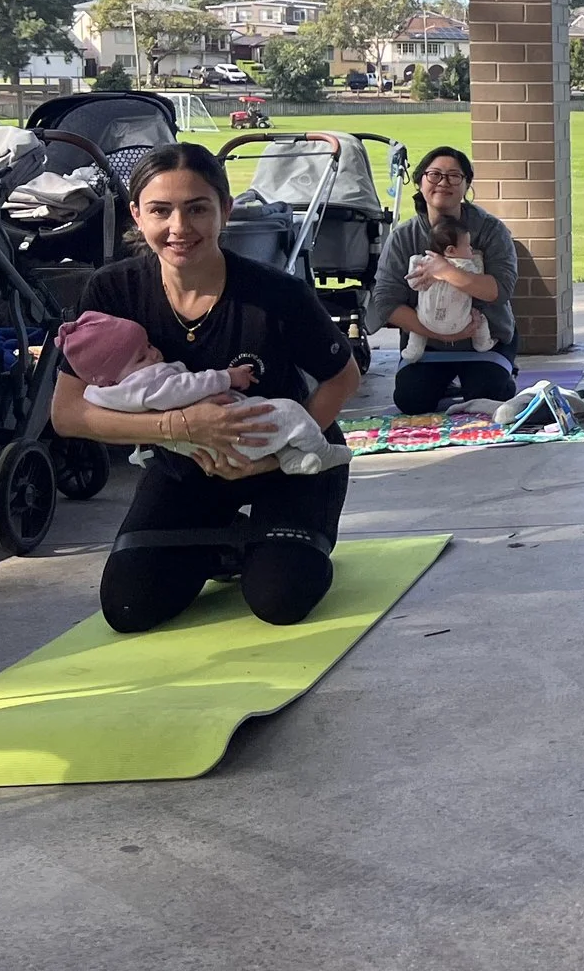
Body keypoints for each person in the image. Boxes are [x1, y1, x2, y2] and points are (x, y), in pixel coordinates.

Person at [49, 144, 362, 634]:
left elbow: (343, 379)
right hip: (187, 463)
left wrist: (272, 457)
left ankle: (273, 547)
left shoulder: (276, 294)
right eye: (160, 210)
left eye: (197, 208)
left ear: (225, 210)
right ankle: (236, 543)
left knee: (280, 599)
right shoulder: (113, 292)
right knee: (129, 606)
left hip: (284, 460)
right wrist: (179, 425)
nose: (179, 227)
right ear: (137, 214)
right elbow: (68, 413)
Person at [55, 309, 350, 475]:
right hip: (226, 433)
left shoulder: (101, 391)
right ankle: (322, 451)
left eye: (148, 346)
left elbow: (343, 377)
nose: (155, 353)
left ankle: (289, 460)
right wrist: (226, 377)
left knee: (273, 427)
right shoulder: (146, 383)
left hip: (199, 452)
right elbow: (184, 387)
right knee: (288, 413)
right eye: (143, 356)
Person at [365, 146, 521, 417]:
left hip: (485, 338)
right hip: (428, 343)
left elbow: (500, 290)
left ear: (467, 185)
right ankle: (443, 382)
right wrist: (442, 334)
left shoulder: (491, 230)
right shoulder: (404, 236)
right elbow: (386, 301)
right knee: (412, 401)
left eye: (454, 176)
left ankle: (498, 370)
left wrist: (445, 271)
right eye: (434, 174)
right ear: (419, 182)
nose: (443, 183)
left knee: (489, 394)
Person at [403, 213, 495, 361]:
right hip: (460, 324)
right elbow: (479, 280)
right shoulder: (466, 266)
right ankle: (483, 344)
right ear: (451, 250)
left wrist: (414, 262)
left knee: (417, 325)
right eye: (467, 245)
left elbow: (413, 284)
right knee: (480, 318)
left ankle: (413, 352)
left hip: (425, 322)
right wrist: (477, 257)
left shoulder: (425, 265)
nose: (471, 249)